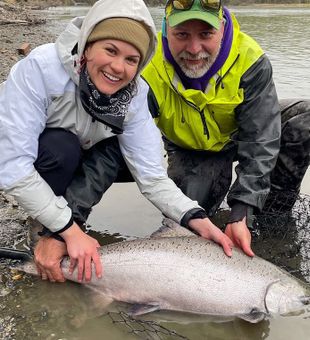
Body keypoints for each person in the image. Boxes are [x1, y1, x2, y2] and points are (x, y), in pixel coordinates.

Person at [0, 0, 235, 283]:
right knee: (61, 148)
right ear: (87, 46)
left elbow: (152, 178)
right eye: (110, 50)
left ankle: (58, 225)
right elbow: (12, 165)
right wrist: (68, 230)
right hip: (29, 155)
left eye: (131, 59)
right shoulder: (40, 68)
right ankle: (44, 233)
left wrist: (195, 217)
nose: (117, 67)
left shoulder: (135, 96)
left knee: (116, 151)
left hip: (82, 154)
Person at [141, 0, 310, 256]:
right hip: (192, 149)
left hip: (242, 134)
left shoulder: (250, 58)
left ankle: (270, 216)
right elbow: (130, 139)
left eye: (206, 34)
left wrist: (241, 211)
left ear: (221, 27)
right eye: (182, 34)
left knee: (306, 120)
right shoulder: (144, 62)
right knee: (187, 224)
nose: (194, 49)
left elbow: (260, 140)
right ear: (165, 30)